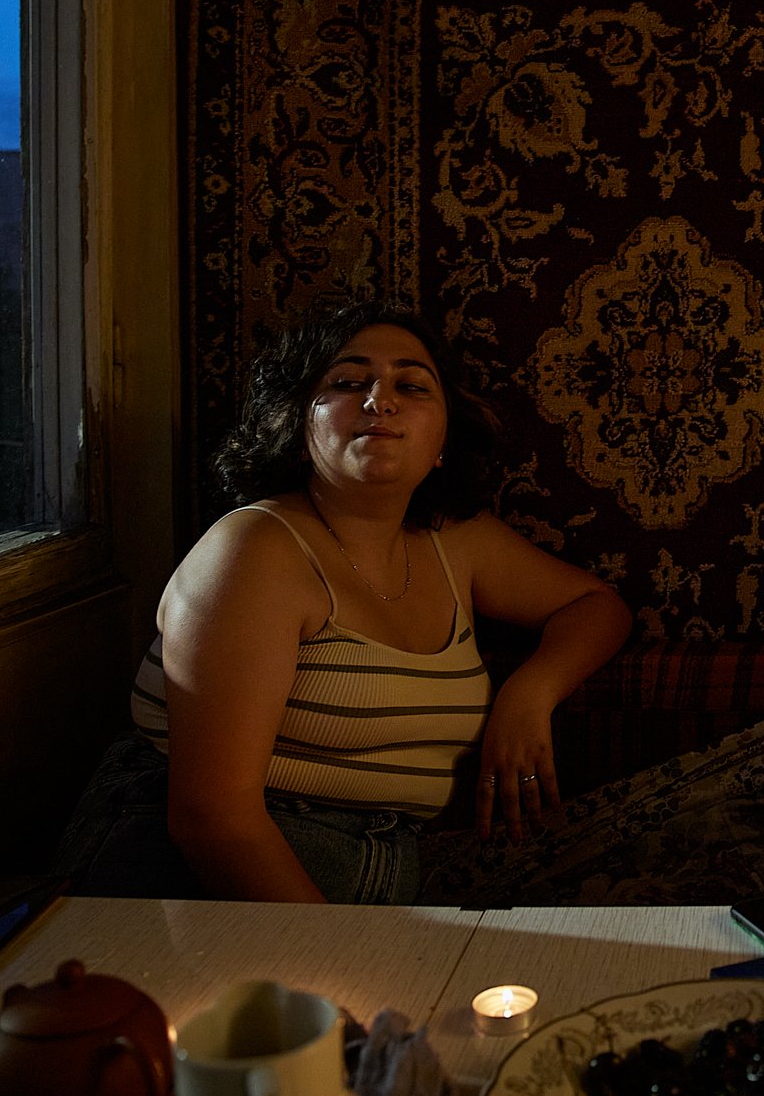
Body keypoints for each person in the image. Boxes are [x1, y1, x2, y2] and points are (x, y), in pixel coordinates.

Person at [56, 304, 632, 904]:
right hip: (203, 867)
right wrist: (335, 961)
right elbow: (211, 820)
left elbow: (596, 606)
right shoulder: (254, 551)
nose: (379, 401)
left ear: (443, 442)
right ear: (298, 430)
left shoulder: (455, 541)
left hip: (386, 859)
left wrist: (529, 693)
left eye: (410, 386)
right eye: (347, 383)